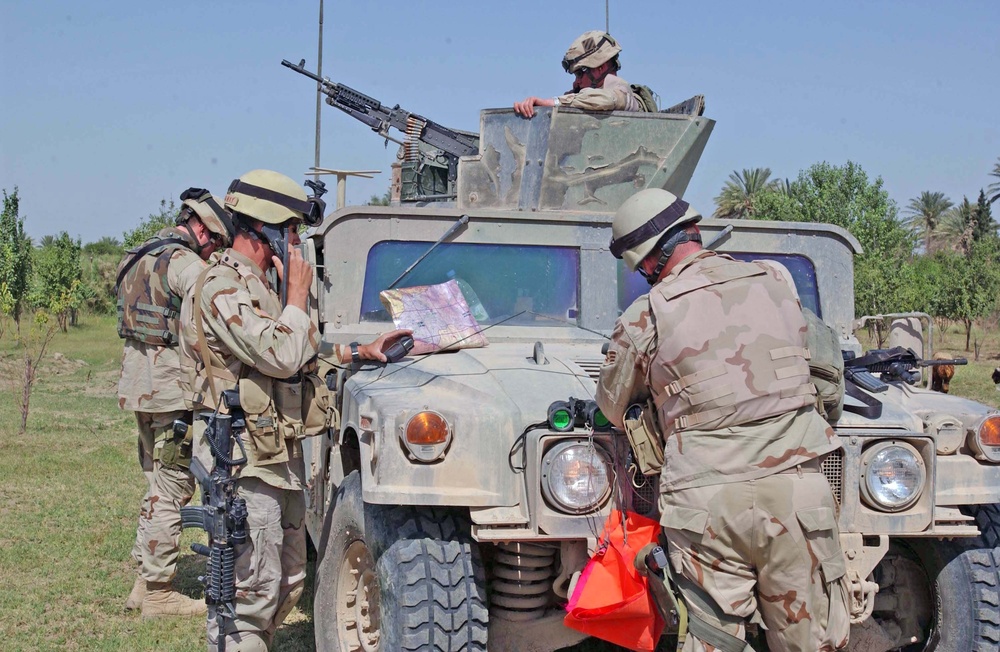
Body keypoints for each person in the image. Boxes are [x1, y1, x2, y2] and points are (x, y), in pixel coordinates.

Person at [596, 188, 850, 651]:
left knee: (713, 639)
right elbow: (826, 379)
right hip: (795, 493)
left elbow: (614, 408)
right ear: (693, 231)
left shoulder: (647, 314)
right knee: (810, 639)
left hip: (706, 503)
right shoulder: (777, 282)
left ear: (650, 260)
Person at [178, 169, 410, 651]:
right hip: (241, 461)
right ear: (262, 230)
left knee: (286, 582)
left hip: (275, 456)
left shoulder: (260, 284)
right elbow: (281, 354)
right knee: (248, 594)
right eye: (291, 231)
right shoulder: (220, 285)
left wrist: (355, 352)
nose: (297, 243)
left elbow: (294, 353)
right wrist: (298, 296)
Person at [118, 187, 236, 616]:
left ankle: (143, 579)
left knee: (157, 483)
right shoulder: (183, 261)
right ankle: (157, 593)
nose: (216, 251)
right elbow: (207, 297)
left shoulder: (138, 252)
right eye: (217, 242)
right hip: (170, 388)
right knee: (173, 485)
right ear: (200, 227)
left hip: (138, 385)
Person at [514, 30, 642, 118]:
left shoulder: (622, 93)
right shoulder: (581, 99)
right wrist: (529, 108)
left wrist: (553, 102)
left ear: (600, 68)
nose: (576, 82)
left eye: (580, 74)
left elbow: (606, 100)